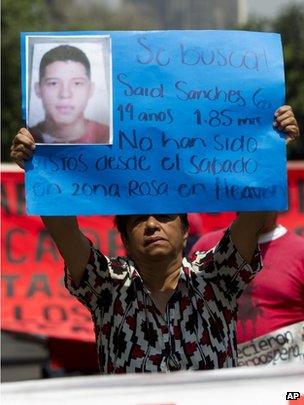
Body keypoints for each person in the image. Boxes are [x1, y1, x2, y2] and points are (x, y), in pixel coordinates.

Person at [10, 106, 299, 373]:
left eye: (164, 217)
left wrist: (271, 149)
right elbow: (64, 231)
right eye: (138, 220)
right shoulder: (107, 286)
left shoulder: (214, 276)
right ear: (123, 237)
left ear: (186, 229)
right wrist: (39, 165)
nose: (151, 225)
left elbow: (254, 216)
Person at [190, 214, 304, 367]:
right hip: (220, 382)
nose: (255, 201)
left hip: (284, 383)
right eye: (248, 193)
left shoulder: (300, 252)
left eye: (263, 192)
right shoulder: (206, 247)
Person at [30, 44, 110, 144]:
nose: (65, 94)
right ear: (38, 89)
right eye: (53, 83)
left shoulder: (108, 137)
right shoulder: (26, 139)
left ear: (90, 89)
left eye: (77, 83)